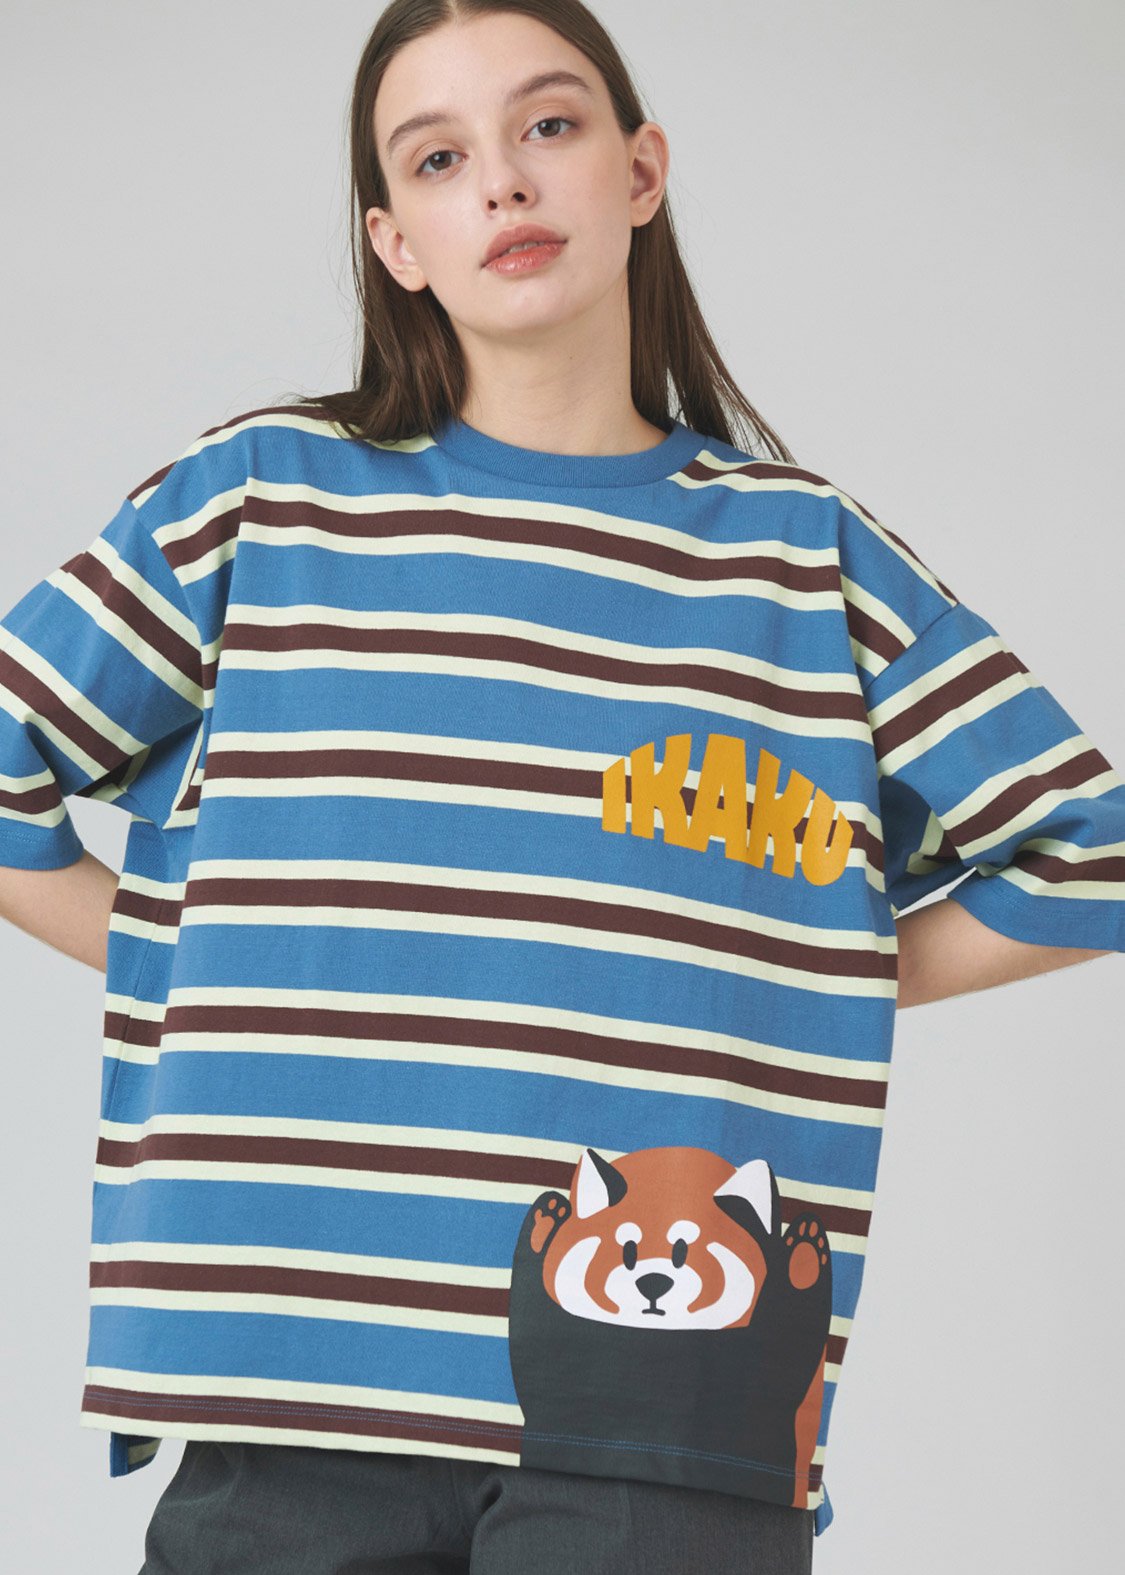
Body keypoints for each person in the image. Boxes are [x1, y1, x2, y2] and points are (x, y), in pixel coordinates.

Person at [1, 3, 1121, 1572]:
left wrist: (805, 968)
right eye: (437, 158)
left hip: (670, 1399)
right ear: (395, 243)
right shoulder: (258, 504)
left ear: (639, 170)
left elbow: (1087, 852)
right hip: (291, 1367)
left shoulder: (803, 560)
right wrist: (195, 954)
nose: (504, 182)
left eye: (548, 125)